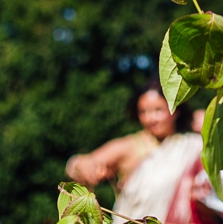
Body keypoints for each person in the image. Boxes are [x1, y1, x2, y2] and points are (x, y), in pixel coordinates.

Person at [66, 81, 203, 224]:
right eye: (143, 112)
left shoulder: (191, 146)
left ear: (175, 110)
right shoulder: (130, 146)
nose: (151, 118)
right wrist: (83, 166)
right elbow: (78, 164)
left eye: (158, 110)